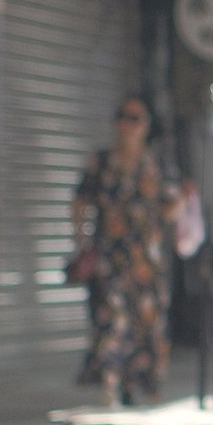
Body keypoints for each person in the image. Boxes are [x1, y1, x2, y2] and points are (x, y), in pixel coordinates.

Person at [70, 95, 182, 405]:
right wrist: (80, 241)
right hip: (109, 252)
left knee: (147, 320)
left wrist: (173, 212)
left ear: (146, 126)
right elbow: (81, 200)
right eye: (123, 116)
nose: (127, 125)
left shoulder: (157, 164)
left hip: (147, 256)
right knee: (111, 317)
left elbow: (174, 205)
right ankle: (110, 381)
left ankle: (144, 382)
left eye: (135, 118)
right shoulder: (102, 161)